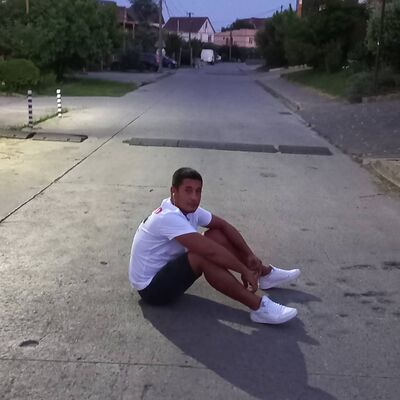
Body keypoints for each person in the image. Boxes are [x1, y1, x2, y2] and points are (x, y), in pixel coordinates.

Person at [129, 167, 301, 324]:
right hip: (151, 290)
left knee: (216, 235)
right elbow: (210, 251)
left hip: (166, 272)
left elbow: (223, 226)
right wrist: (243, 270)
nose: (194, 197)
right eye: (188, 190)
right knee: (201, 255)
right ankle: (259, 307)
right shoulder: (167, 217)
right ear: (173, 191)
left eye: (198, 191)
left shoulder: (188, 209)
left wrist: (250, 256)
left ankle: (264, 274)